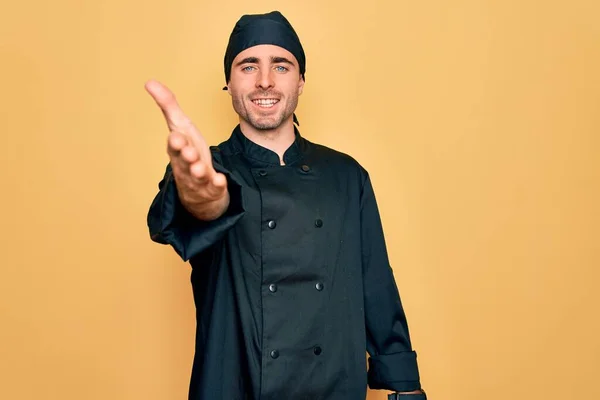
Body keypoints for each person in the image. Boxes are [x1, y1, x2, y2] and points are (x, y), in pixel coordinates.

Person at [146, 10, 427, 400]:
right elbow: (186, 211)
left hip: (332, 387)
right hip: (234, 386)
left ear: (301, 81)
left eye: (281, 65)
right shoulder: (204, 167)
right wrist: (204, 197)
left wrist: (405, 387)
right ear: (228, 81)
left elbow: (376, 286)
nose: (265, 81)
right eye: (248, 66)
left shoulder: (347, 176)